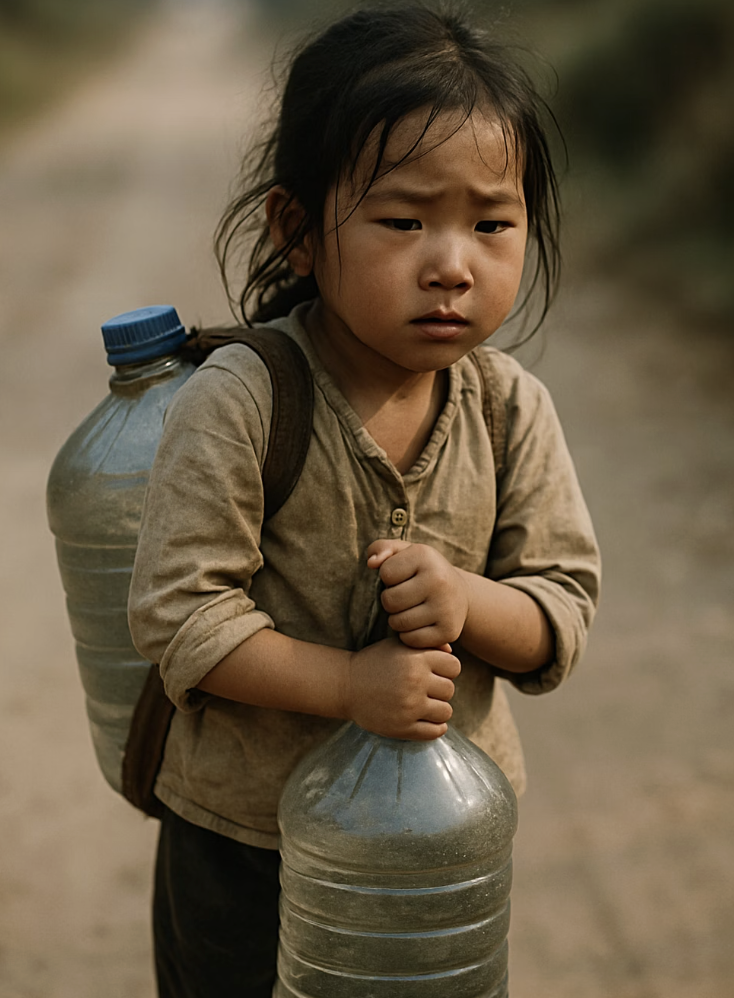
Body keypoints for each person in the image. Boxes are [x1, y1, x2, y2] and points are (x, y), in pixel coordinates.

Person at [128, 3, 601, 996]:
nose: (453, 264)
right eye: (403, 221)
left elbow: (560, 609)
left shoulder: (510, 407)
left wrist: (470, 600)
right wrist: (352, 686)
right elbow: (179, 615)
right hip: (244, 840)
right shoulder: (245, 398)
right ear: (297, 230)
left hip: (433, 845)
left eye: (492, 223)